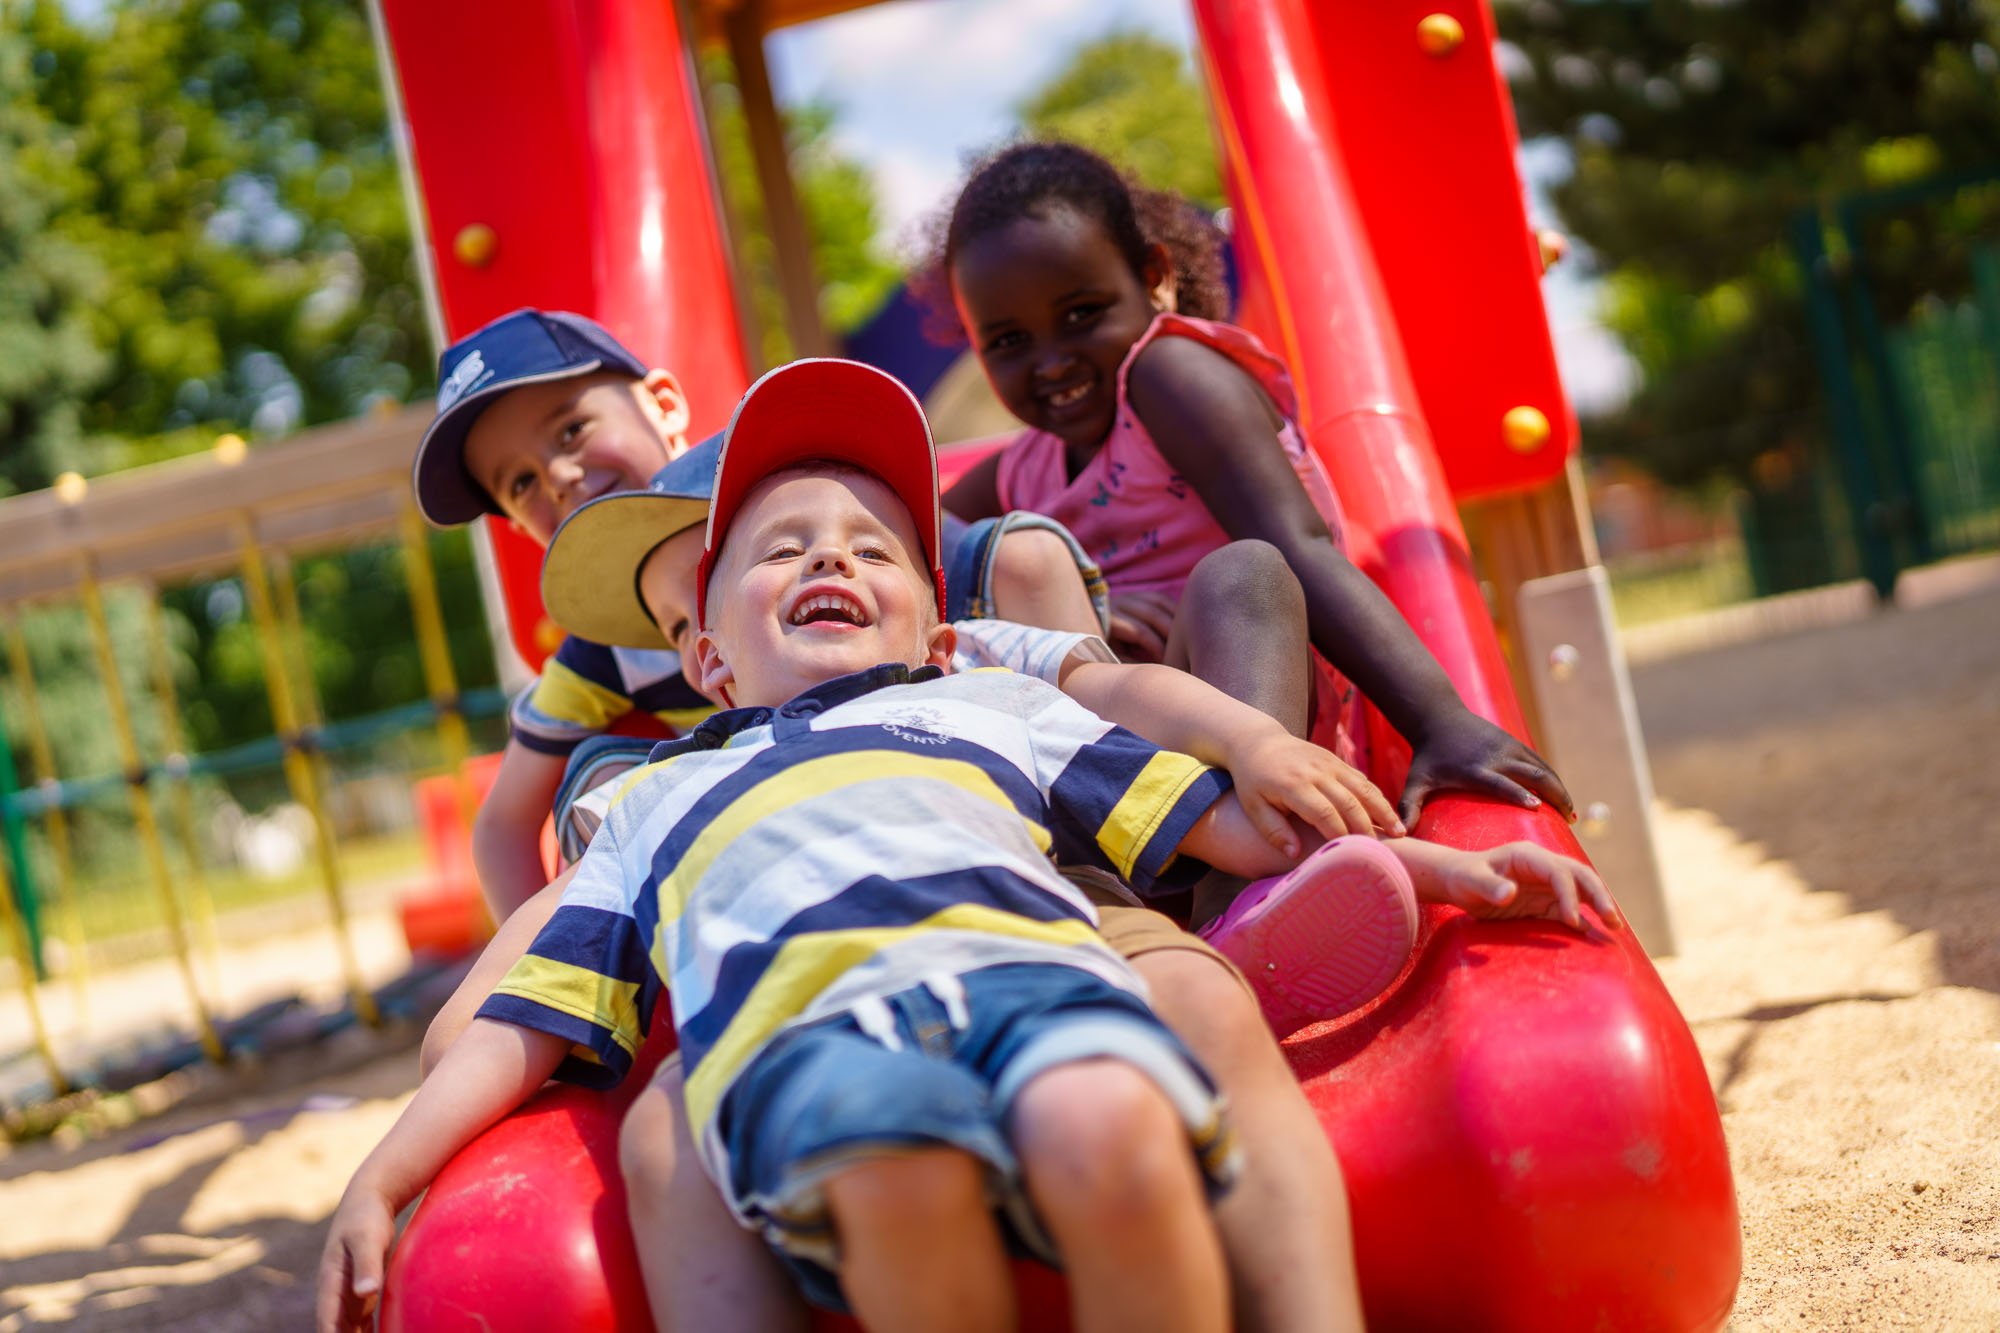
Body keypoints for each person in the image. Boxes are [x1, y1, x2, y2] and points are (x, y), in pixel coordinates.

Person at [360, 360, 1619, 1333]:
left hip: (1032, 967)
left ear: (934, 619)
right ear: (704, 658)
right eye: (781, 551)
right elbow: (529, 991)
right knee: (871, 1155)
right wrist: (393, 1161)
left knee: (1114, 1102)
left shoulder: (979, 697)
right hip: (812, 1034)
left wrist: (1428, 866)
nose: (828, 558)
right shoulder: (653, 786)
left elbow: (1213, 811)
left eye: (870, 551)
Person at [923, 141, 1577, 941]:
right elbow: (913, 532)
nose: (1053, 360)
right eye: (1009, 341)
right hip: (1130, 787)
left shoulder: (1169, 376)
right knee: (1012, 592)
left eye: (1081, 313)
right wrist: (1086, 594)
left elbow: (1298, 544)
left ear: (1155, 276)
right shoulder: (1021, 475)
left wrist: (1441, 721)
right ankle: (1152, 902)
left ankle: (1246, 886)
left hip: (1266, 735)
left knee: (1246, 571)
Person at [412, 307, 1104, 914]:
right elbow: (504, 823)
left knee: (1020, 555)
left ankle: (1097, 836)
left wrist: (1079, 632)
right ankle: (624, 960)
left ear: (663, 402)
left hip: (934, 747)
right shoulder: (606, 644)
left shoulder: (783, 491)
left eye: (569, 431)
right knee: (595, 768)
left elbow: (933, 553)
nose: (558, 475)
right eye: (522, 481)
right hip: (777, 826)